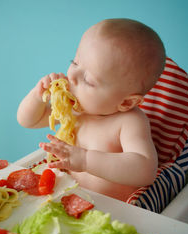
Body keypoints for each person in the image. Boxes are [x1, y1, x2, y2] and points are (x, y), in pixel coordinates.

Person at [17, 18, 166, 202]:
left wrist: (85, 160)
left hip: (114, 209)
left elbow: (144, 170)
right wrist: (37, 96)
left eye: (88, 80)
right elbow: (28, 121)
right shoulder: (74, 108)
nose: (72, 76)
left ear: (126, 103)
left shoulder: (129, 121)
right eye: (75, 62)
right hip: (69, 196)